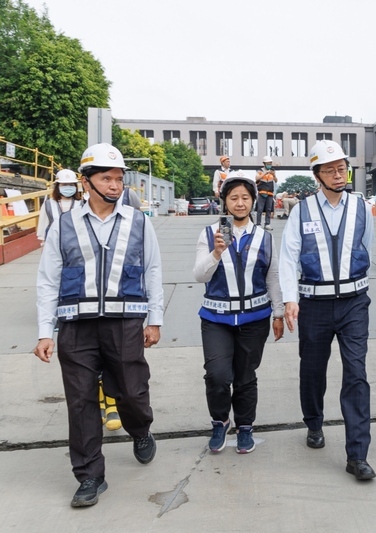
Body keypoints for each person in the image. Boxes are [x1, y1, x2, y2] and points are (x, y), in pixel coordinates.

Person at [33, 142, 163, 507]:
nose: (115, 185)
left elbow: (153, 270)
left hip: (125, 322)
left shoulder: (138, 221)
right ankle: (90, 475)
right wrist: (45, 332)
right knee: (80, 400)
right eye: (107, 178)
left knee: (132, 391)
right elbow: (48, 280)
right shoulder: (63, 225)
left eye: (119, 178)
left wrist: (155, 319)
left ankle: (140, 429)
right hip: (76, 327)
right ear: (86, 182)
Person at [279, 140, 376, 481]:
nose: (338, 175)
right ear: (317, 175)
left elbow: (366, 248)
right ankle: (314, 422)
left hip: (354, 303)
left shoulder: (361, 207)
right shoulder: (301, 211)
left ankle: (357, 455)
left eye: (342, 169)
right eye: (330, 170)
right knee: (312, 370)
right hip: (314, 304)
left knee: (356, 373)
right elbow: (288, 258)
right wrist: (290, 299)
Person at [193, 171, 285, 454]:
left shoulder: (264, 237)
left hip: (254, 319)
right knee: (217, 376)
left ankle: (245, 426)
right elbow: (199, 275)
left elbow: (272, 276)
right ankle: (220, 421)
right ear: (225, 201)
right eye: (234, 197)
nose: (240, 203)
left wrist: (278, 313)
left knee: (245, 376)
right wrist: (216, 253)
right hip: (216, 319)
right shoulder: (209, 234)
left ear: (254, 200)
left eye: (245, 197)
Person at [38, 169, 80, 242]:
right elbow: (43, 229)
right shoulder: (48, 205)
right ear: (57, 186)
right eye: (64, 185)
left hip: (75, 244)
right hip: (54, 243)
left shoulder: (81, 204)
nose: (68, 187)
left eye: (71, 185)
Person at [255, 156, 276, 229]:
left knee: (269, 209)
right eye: (268, 163)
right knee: (260, 209)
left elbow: (276, 180)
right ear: (264, 164)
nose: (269, 165)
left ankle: (267, 224)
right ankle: (258, 224)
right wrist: (264, 173)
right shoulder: (259, 171)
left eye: (270, 163)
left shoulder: (272, 171)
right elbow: (257, 178)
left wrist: (274, 175)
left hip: (270, 193)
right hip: (262, 192)